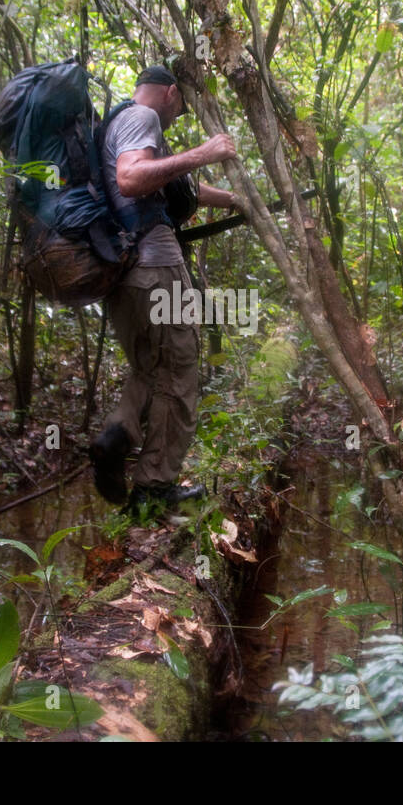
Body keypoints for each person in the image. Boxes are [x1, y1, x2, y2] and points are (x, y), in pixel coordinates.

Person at [89, 64, 239, 521]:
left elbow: (173, 185)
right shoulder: (144, 118)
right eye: (182, 105)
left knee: (151, 367)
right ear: (172, 93)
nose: (178, 115)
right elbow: (133, 179)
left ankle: (116, 434)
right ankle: (154, 488)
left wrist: (234, 201)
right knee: (180, 369)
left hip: (124, 274)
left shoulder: (113, 124)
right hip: (155, 270)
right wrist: (204, 152)